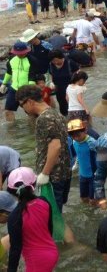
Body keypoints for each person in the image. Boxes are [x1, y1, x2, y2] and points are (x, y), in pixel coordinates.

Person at [15, 85, 72, 213]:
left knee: (52, 216)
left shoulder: (43, 119)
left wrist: (45, 173)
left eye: (21, 105)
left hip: (53, 176)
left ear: (29, 101)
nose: (23, 109)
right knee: (57, 212)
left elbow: (55, 146)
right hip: (64, 172)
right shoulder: (56, 113)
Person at [6, 167, 58, 272]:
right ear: (33, 185)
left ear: (11, 191)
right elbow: (49, 229)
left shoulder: (15, 217)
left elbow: (15, 250)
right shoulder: (44, 201)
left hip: (37, 261)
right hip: (52, 252)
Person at [0, 41, 39, 122]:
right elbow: (9, 72)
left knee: (30, 112)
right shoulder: (11, 59)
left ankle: (33, 129)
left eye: (22, 53)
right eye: (18, 53)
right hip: (13, 88)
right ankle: (12, 130)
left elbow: (32, 77)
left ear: (26, 51)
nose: (20, 54)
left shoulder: (32, 60)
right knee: (8, 111)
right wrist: (3, 84)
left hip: (26, 90)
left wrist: (30, 91)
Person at [67, 119, 98, 204]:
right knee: (83, 198)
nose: (76, 138)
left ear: (85, 130)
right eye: (73, 136)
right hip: (82, 175)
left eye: (78, 135)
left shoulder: (92, 142)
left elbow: (101, 156)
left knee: (93, 200)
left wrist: (100, 171)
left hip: (93, 175)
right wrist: (76, 165)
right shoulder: (74, 142)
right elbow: (78, 155)